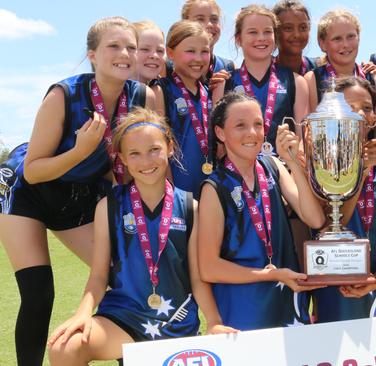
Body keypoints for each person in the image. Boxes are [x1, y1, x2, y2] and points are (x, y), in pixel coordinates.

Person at [0, 16, 153, 366]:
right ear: (92, 56)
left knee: (124, 281)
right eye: (114, 46)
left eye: (131, 46)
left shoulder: (142, 96)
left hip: (79, 195)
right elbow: (34, 171)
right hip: (27, 192)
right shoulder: (63, 94)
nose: (125, 53)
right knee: (39, 293)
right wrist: (80, 152)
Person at [47, 108, 235, 365]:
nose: (146, 161)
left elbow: (196, 278)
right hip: (124, 320)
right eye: (134, 153)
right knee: (65, 347)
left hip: (174, 322)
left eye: (154, 150)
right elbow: (99, 275)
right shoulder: (109, 206)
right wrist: (83, 313)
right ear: (122, 158)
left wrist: (213, 322)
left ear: (169, 147)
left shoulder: (191, 206)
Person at [197, 93, 326, 330]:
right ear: (220, 133)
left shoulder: (273, 166)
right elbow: (209, 267)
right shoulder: (213, 188)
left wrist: (293, 163)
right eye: (240, 125)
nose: (252, 133)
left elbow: (314, 218)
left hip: (285, 299)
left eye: (258, 124)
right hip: (243, 306)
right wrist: (273, 275)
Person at [311, 76, 376, 322]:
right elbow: (331, 226)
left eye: (367, 107)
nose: (360, 113)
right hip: (336, 286)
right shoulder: (319, 166)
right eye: (350, 106)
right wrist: (361, 172)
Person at [211, 5, 309, 157]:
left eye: (267, 32)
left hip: (283, 172)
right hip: (238, 175)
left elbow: (302, 139)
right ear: (238, 39)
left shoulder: (297, 82)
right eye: (252, 32)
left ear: (275, 37)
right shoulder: (224, 83)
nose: (261, 38)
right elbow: (219, 145)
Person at [304, 9, 376, 137]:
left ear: (359, 38)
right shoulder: (312, 79)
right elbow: (311, 133)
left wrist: (369, 155)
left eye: (351, 36)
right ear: (322, 44)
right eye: (337, 39)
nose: (345, 44)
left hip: (369, 156)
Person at [152, 20, 212, 196]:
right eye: (190, 51)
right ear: (170, 53)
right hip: (175, 193)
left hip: (210, 189)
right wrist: (170, 192)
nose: (198, 58)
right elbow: (157, 147)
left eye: (204, 52)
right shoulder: (160, 91)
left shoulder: (210, 92)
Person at [180, 0, 235, 85]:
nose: (209, 24)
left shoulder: (227, 67)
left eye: (214, 19)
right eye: (200, 19)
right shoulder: (169, 68)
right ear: (185, 23)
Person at [272, 0, 318, 75]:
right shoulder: (264, 71)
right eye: (288, 28)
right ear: (275, 31)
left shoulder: (319, 70)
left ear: (309, 29)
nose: (297, 35)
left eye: (303, 28)